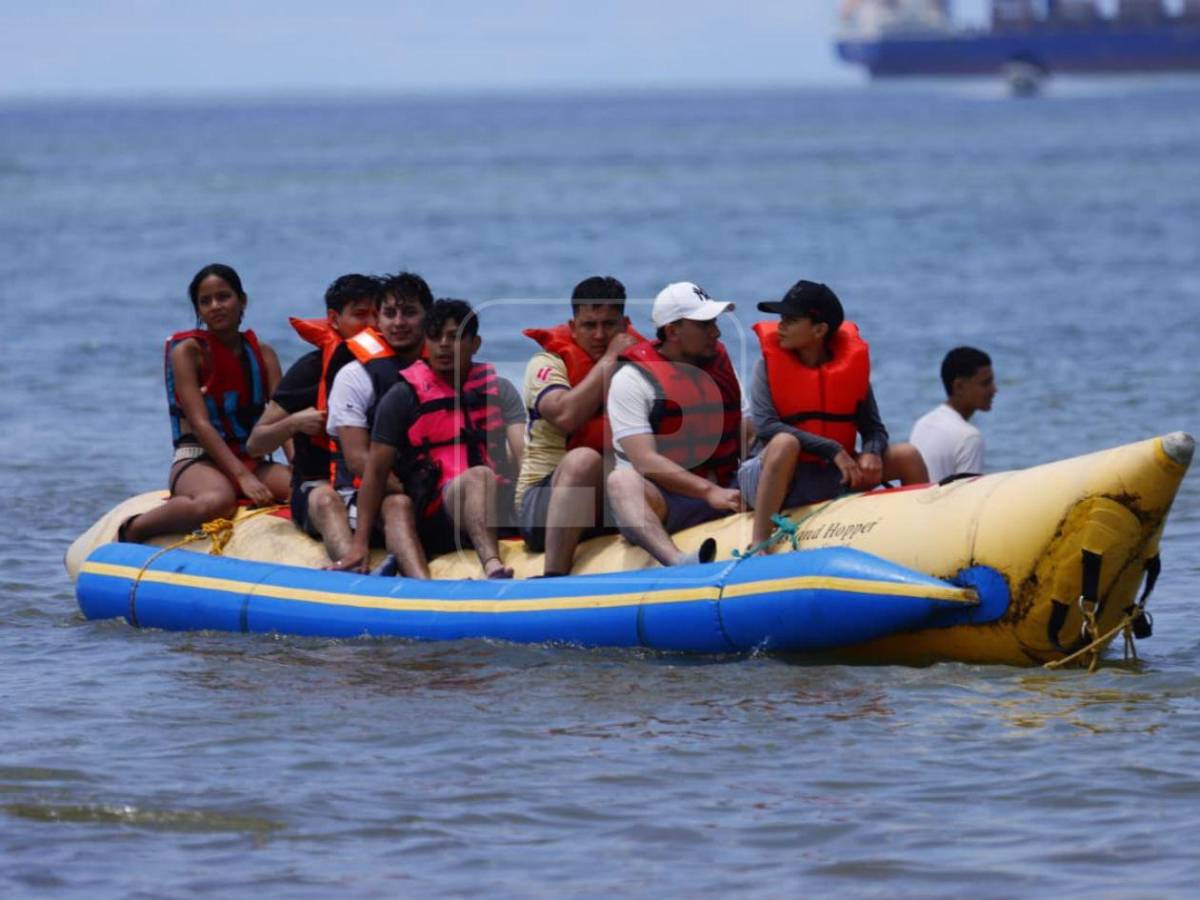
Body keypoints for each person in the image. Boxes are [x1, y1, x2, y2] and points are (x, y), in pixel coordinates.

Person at [341, 299, 524, 578]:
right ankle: (492, 566)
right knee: (478, 476)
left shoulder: (499, 389)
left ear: (475, 344)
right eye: (435, 337)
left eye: (454, 337)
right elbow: (375, 473)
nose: (443, 345)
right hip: (434, 512)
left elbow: (524, 454)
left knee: (490, 473)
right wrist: (359, 543)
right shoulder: (402, 397)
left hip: (492, 504)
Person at [739, 279, 928, 546]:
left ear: (819, 330)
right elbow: (767, 427)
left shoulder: (850, 372)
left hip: (832, 474)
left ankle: (922, 534)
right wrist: (833, 449)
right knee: (784, 443)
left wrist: (872, 452)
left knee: (907, 455)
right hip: (778, 477)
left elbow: (873, 428)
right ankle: (759, 543)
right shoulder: (766, 367)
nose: (780, 326)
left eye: (791, 320)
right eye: (781, 318)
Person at [120, 264, 290, 543]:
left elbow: (283, 421)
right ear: (198, 310)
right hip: (197, 457)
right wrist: (243, 477)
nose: (215, 306)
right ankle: (135, 528)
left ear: (242, 300)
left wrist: (305, 473)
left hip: (250, 456)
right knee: (217, 502)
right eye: (205, 301)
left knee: (304, 488)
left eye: (224, 297)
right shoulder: (187, 353)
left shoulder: (263, 354)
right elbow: (199, 423)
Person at [244, 274, 381, 565]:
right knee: (326, 499)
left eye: (376, 314)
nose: (371, 324)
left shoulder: (395, 366)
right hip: (318, 489)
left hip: (375, 488)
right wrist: (294, 423)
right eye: (359, 315)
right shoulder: (311, 370)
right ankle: (356, 574)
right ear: (333, 318)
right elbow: (256, 444)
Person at [605, 282, 743, 567]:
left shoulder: (719, 366)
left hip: (728, 487)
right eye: (704, 325)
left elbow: (749, 429)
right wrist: (708, 492)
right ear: (672, 331)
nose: (715, 332)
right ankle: (677, 562)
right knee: (622, 480)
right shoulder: (632, 379)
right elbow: (645, 461)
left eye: (713, 323)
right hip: (668, 502)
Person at [516, 276, 641, 575]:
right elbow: (565, 415)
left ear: (624, 325)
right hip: (543, 503)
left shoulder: (640, 364)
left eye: (609, 325)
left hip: (611, 496)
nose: (599, 335)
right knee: (584, 459)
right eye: (589, 325)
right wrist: (610, 359)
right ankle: (554, 577)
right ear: (572, 327)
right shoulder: (546, 365)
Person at [325, 272, 435, 577]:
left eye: (410, 313)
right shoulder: (353, 376)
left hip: (430, 489)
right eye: (390, 313)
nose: (399, 322)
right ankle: (426, 595)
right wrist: (413, 493)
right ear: (378, 320)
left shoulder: (443, 368)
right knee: (398, 504)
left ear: (428, 318)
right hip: (370, 497)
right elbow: (359, 461)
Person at [909, 346, 996, 483]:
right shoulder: (970, 438)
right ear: (959, 386)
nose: (994, 389)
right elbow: (969, 498)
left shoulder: (922, 423)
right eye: (986, 383)